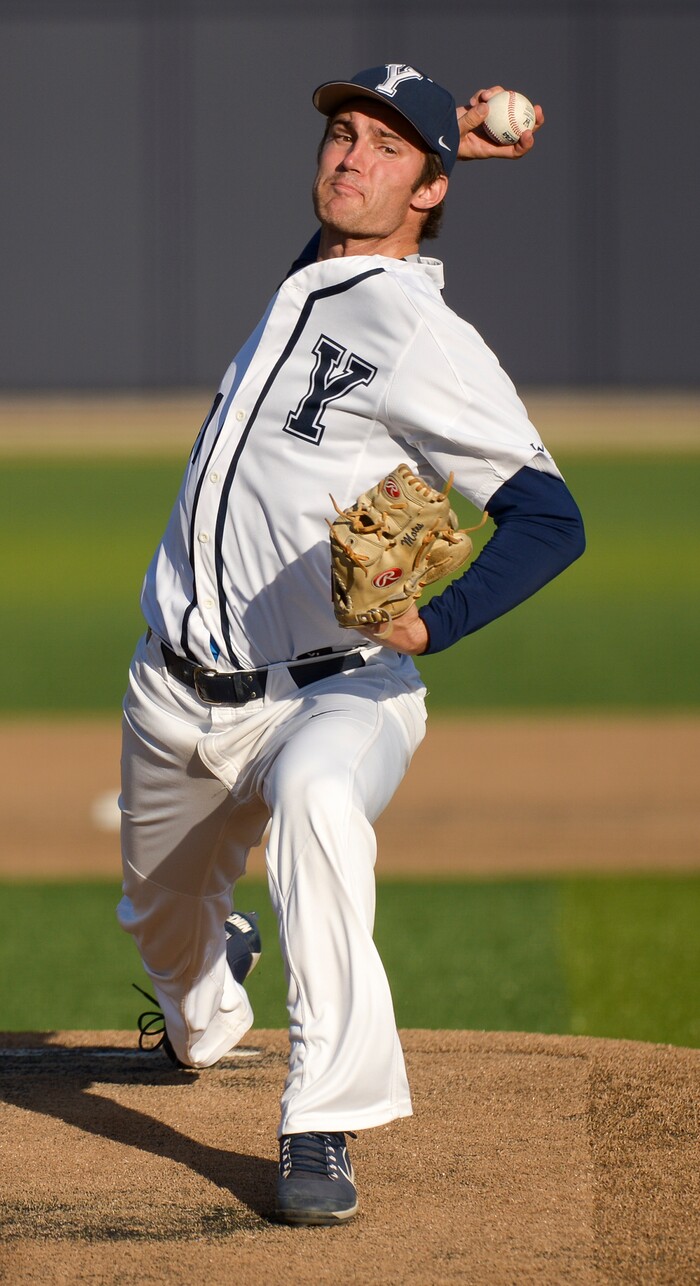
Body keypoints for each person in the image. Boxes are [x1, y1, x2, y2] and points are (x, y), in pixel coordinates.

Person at [118, 63, 585, 1227]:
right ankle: (210, 979)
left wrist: (437, 620)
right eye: (343, 132)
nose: (348, 155)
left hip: (337, 687)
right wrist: (443, 148)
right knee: (167, 945)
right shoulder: (316, 276)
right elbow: (351, 235)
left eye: (382, 146)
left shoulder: (420, 328)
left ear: (420, 192)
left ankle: (322, 1117)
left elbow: (549, 515)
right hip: (175, 693)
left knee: (322, 806)